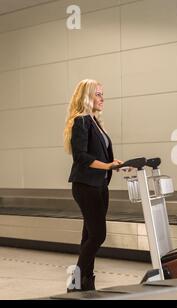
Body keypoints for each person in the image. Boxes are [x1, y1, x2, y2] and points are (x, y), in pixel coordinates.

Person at [63, 79, 123, 291]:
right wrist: (107, 166)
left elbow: (99, 154)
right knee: (98, 235)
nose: (102, 98)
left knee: (89, 235)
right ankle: (75, 281)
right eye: (97, 94)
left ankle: (86, 281)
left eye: (102, 94)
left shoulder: (95, 122)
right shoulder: (81, 121)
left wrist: (112, 166)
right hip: (86, 185)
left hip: (99, 185)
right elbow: (80, 156)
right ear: (86, 97)